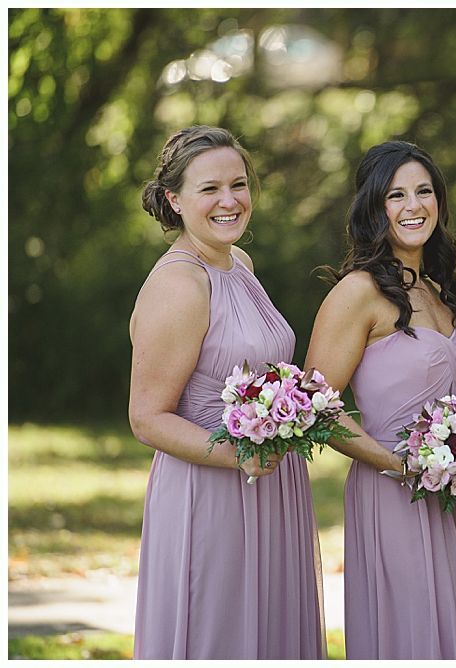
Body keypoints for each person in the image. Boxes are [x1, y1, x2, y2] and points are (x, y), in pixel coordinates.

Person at [129, 126, 325, 659]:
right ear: (175, 199)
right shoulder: (180, 285)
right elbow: (147, 417)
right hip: (210, 491)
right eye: (210, 189)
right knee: (219, 634)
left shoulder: (240, 265)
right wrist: (243, 453)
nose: (230, 201)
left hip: (271, 484)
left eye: (238, 185)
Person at [303, 140, 456, 659]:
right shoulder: (359, 292)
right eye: (396, 194)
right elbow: (313, 407)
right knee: (415, 634)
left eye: (424, 191)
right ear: (373, 206)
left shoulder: (441, 289)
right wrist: (401, 466)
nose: (414, 206)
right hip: (395, 493)